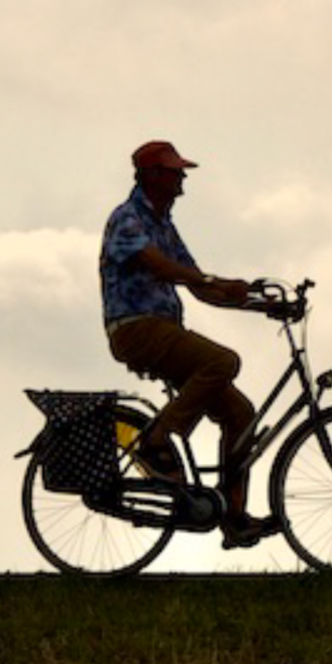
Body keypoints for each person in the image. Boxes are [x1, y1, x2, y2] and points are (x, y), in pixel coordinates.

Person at [100, 140, 282, 549]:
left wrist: (254, 300)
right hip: (136, 329)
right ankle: (156, 440)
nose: (182, 177)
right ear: (151, 176)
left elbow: (198, 285)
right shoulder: (128, 218)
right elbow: (163, 267)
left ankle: (233, 518)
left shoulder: (164, 224)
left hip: (163, 331)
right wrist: (209, 282)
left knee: (241, 414)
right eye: (173, 171)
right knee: (223, 361)